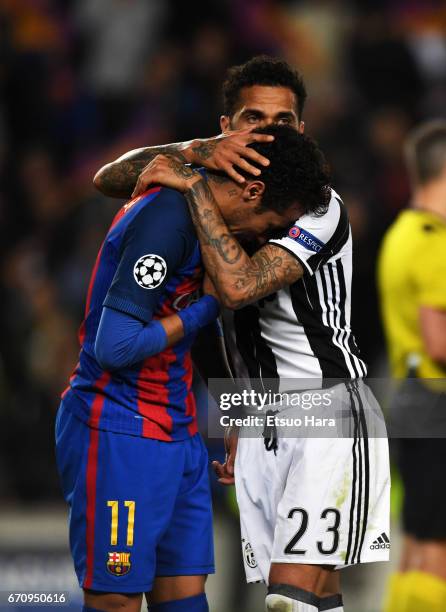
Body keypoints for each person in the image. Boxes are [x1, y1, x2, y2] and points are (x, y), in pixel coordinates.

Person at [95, 56, 390, 612]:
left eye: (282, 122)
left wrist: (191, 185)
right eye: (253, 119)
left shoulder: (316, 205)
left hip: (325, 409)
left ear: (300, 131)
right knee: (311, 598)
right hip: (265, 417)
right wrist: (190, 152)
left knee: (290, 600)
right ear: (226, 126)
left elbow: (233, 289)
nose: (267, 133)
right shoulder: (214, 181)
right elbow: (107, 180)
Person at [56, 123, 328, 612]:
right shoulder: (167, 217)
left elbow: (195, 323)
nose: (267, 237)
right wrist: (205, 309)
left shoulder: (203, 221)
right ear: (252, 190)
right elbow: (114, 346)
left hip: (178, 432)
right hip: (118, 428)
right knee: (117, 601)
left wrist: (233, 409)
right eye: (271, 224)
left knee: (185, 600)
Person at [378, 120, 446, 612]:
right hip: (441, 401)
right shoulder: (438, 242)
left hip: (409, 398)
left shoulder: (401, 233)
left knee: (415, 543)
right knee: (443, 546)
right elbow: (442, 341)